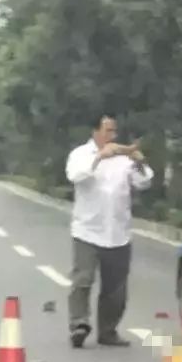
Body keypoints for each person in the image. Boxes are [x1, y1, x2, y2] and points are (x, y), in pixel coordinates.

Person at [65, 113, 153, 348]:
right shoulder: (80, 155)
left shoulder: (124, 160)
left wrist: (139, 161)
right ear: (95, 132)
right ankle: (79, 325)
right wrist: (99, 159)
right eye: (108, 131)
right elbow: (75, 176)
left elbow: (144, 182)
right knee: (82, 280)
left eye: (114, 131)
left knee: (115, 288)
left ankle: (108, 330)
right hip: (87, 230)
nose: (112, 136)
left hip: (118, 232)